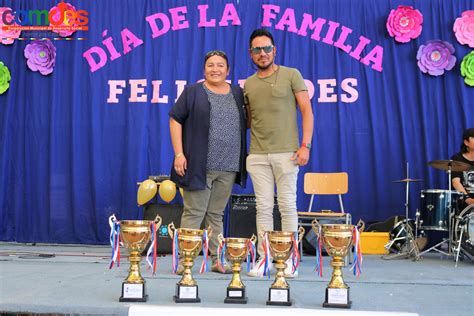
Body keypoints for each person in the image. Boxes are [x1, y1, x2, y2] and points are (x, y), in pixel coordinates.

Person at [169, 50, 247, 274]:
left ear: (228, 70)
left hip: (229, 165)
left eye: (220, 65)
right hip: (199, 165)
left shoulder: (237, 93)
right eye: (211, 65)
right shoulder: (193, 91)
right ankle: (186, 260)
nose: (215, 69)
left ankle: (217, 259)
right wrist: (179, 154)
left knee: (216, 214)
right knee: (194, 212)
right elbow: (175, 120)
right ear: (204, 69)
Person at [244, 29, 314, 278]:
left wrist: (305, 145)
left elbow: (306, 111)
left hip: (288, 153)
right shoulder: (249, 84)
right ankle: (264, 260)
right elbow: (250, 121)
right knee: (262, 208)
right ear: (250, 54)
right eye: (256, 50)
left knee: (287, 206)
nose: (262, 54)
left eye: (266, 49)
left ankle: (289, 259)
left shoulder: (292, 75)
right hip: (257, 155)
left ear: (275, 50)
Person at [451, 127, 474, 207]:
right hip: (463, 203)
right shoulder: (457, 159)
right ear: (466, 142)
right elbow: (455, 182)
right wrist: (467, 198)